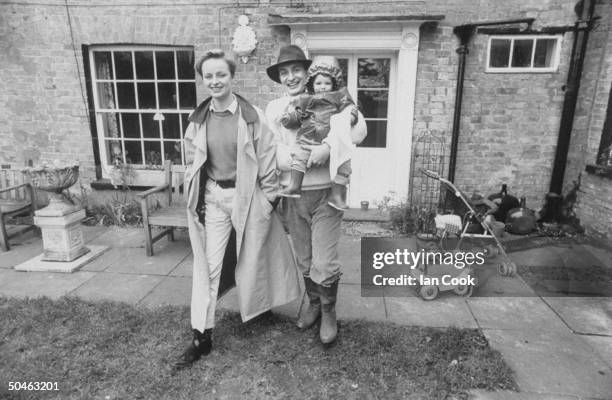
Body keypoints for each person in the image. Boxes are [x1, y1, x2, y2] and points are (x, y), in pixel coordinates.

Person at [175, 49, 301, 368]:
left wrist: (269, 197)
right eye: (209, 76)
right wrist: (199, 195)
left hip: (249, 199)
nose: (215, 81)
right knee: (210, 266)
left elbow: (268, 156)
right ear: (203, 80)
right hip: (215, 199)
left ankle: (260, 308)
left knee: (258, 256)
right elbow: (191, 159)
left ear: (232, 76)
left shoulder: (251, 115)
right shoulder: (198, 120)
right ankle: (201, 336)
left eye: (221, 75)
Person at [265, 45, 367, 344]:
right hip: (293, 194)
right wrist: (300, 157)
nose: (290, 76)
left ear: (308, 72)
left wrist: (329, 147)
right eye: (284, 72)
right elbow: (269, 149)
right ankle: (313, 303)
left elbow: (359, 130)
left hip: (326, 192)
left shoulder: (333, 97)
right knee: (305, 258)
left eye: (296, 69)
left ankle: (329, 311)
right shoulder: (274, 108)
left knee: (325, 259)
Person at [277, 56, 358, 210]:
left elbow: (350, 109)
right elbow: (297, 115)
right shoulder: (306, 99)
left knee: (344, 163)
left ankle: (337, 195)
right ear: (312, 84)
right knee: (299, 156)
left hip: (332, 140)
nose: (322, 87)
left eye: (327, 83)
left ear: (334, 83)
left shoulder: (339, 96)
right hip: (309, 136)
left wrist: (352, 115)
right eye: (318, 83)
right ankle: (295, 185)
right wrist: (288, 118)